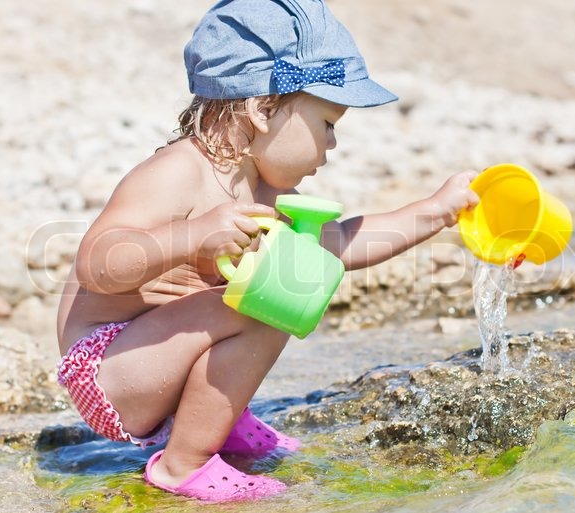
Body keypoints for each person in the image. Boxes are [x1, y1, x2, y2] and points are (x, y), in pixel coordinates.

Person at [56, 0, 480, 504]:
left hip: (153, 366)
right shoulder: (179, 172)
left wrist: (437, 210)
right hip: (106, 367)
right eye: (327, 124)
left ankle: (214, 419)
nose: (333, 144)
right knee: (270, 297)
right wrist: (193, 237)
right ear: (263, 109)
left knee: (291, 272)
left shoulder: (262, 193)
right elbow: (97, 266)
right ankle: (182, 466)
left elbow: (338, 244)